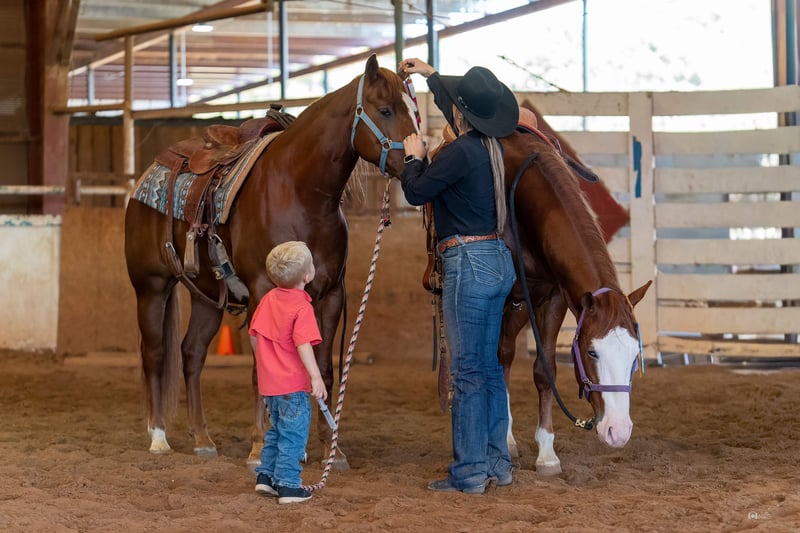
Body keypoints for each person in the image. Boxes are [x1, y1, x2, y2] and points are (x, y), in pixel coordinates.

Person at [398, 58, 519, 495]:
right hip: (497, 260)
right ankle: (497, 463)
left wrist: (413, 158)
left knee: (467, 372)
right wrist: (430, 75)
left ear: (460, 114)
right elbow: (456, 104)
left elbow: (416, 192)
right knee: (488, 369)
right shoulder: (491, 148)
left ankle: (468, 472)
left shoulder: (457, 153)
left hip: (467, 263)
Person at [249, 240, 327, 505]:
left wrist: (265, 364)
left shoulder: (268, 300)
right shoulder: (302, 308)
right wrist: (315, 376)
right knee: (293, 435)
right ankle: (289, 486)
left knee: (276, 431)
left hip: (270, 386)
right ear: (307, 275)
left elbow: (254, 336)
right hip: (293, 386)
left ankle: (266, 477)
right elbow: (303, 345)